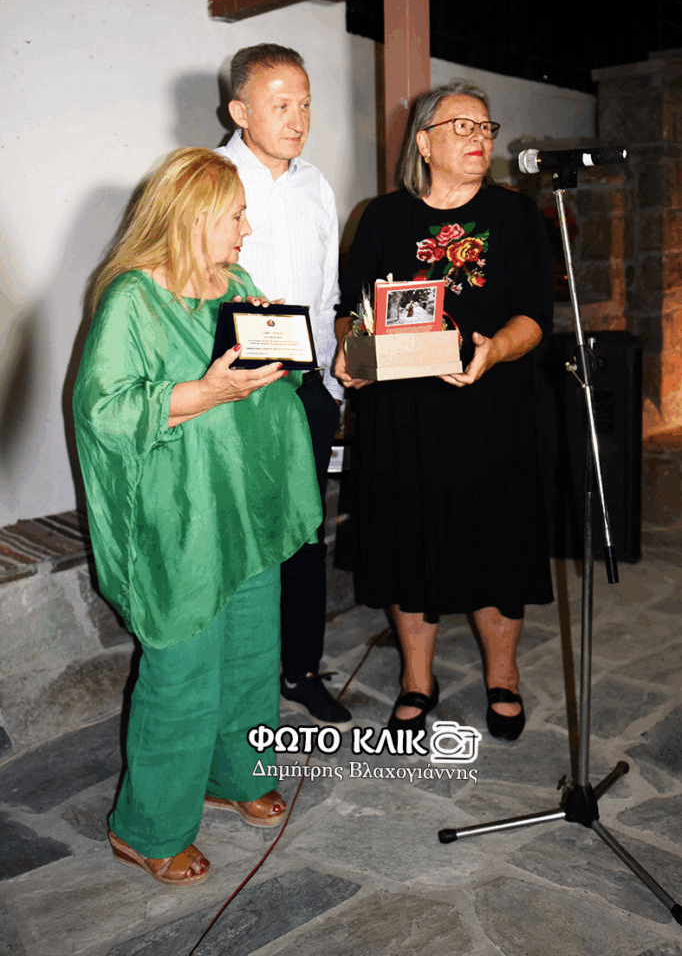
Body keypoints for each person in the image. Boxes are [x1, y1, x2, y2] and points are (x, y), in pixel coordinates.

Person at [73, 148, 321, 885]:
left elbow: (261, 376)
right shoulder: (132, 299)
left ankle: (236, 776)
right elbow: (104, 411)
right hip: (177, 515)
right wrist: (208, 392)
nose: (247, 229)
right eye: (235, 216)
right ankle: (147, 828)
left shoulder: (235, 283)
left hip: (242, 502)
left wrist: (286, 353)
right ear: (191, 218)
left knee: (250, 653)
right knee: (181, 668)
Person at [334, 81, 554, 742]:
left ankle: (503, 676)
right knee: (407, 544)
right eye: (462, 125)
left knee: (497, 545)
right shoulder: (381, 218)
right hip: (400, 417)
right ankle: (416, 679)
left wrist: (496, 350)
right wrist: (351, 352)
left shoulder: (515, 216)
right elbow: (354, 310)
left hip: (491, 410)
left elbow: (534, 317)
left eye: (485, 126)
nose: (479, 137)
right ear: (424, 144)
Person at [216, 43, 352, 731]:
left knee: (304, 536)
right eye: (280, 105)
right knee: (236, 535)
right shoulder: (208, 179)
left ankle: (300, 669)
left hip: (307, 392)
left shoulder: (316, 186)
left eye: (304, 104)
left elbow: (328, 294)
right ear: (240, 111)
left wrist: (333, 383)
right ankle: (234, 677)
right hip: (234, 390)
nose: (298, 119)